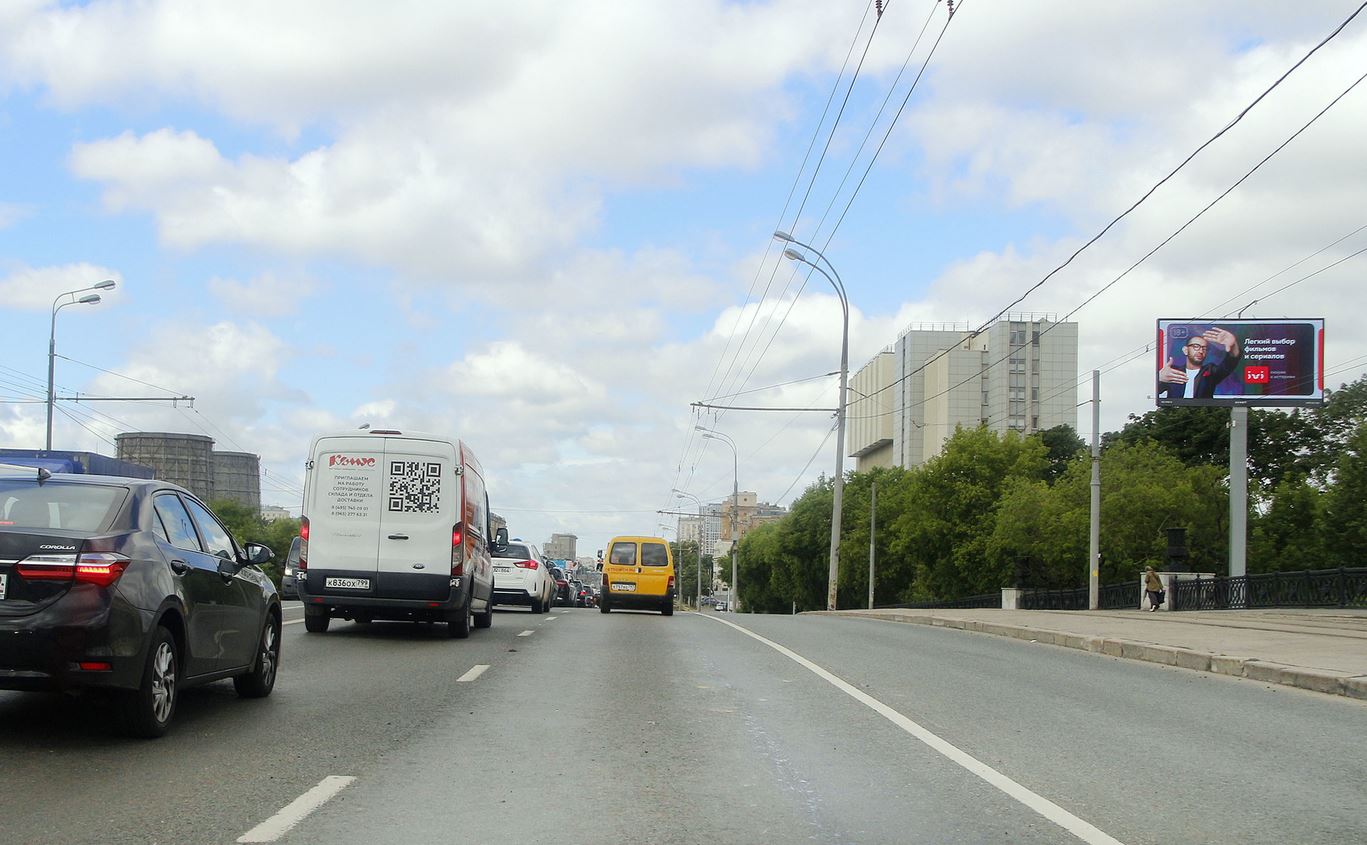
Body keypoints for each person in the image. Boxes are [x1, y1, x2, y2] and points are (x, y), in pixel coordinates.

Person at [1158, 327, 1241, 399]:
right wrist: (1160, 378)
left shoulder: (1210, 371)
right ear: (1185, 350)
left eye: (1204, 348)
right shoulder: (1173, 372)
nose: (1201, 351)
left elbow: (1229, 364)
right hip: (1174, 414)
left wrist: (1233, 345)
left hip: (1204, 414)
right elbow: (1153, 392)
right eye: (1196, 347)